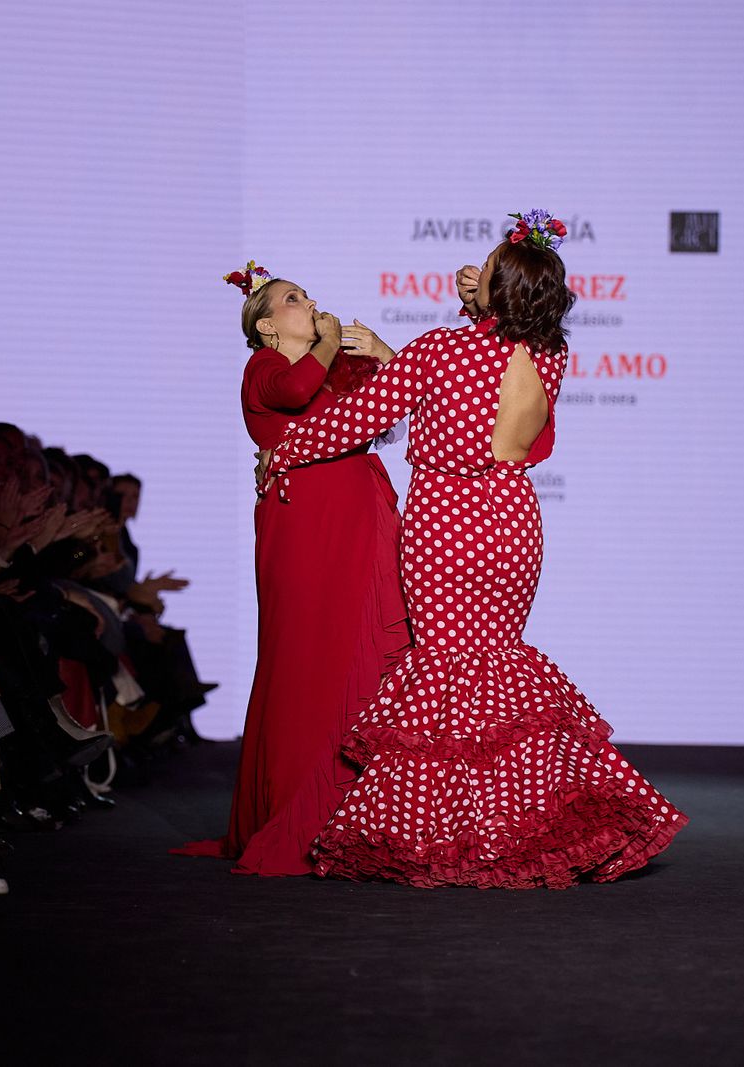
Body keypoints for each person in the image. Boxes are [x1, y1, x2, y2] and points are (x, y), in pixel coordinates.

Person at [268, 213, 687, 888]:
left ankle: (443, 832)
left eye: (483, 267)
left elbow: (358, 416)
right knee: (496, 671)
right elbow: (512, 385)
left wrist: (284, 450)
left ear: (495, 292)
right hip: (511, 522)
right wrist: (485, 293)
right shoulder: (551, 355)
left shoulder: (439, 351)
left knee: (444, 677)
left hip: (445, 523)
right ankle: (512, 825)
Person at [174, 262, 409, 875]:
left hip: (359, 520)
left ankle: (359, 811)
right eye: (292, 299)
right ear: (265, 327)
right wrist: (329, 345)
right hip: (307, 528)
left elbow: (393, 406)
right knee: (308, 657)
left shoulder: (333, 367)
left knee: (363, 653)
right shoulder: (264, 369)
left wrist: (376, 352)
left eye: (307, 295)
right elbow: (294, 394)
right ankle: (298, 809)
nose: (310, 303)